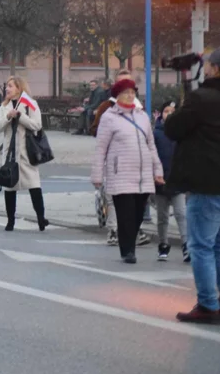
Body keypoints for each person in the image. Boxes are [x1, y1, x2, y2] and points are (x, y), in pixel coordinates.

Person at [166, 49, 220, 323]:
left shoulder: (202, 99)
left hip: (206, 183)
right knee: (218, 245)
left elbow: (174, 129)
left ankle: (208, 305)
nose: (206, 68)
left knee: (201, 245)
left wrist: (171, 113)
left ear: (215, 69)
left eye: (209, 65)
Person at [91, 77, 163, 264]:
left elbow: (151, 145)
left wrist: (158, 169)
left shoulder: (142, 116)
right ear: (117, 96)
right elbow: (101, 148)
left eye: (132, 92)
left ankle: (130, 242)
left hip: (142, 174)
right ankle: (127, 250)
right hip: (120, 172)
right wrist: (97, 175)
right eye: (126, 93)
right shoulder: (109, 117)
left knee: (139, 213)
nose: (130, 96)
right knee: (126, 214)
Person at [0, 76, 49, 231]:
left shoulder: (30, 104)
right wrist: (8, 117)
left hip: (27, 152)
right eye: (7, 86)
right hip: (10, 153)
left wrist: (21, 116)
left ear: (19, 88)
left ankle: (41, 218)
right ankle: (10, 221)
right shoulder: (4, 106)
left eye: (10, 86)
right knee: (9, 185)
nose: (7, 89)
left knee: (34, 186)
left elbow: (37, 125)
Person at [153, 101, 187, 262]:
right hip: (160, 181)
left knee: (181, 214)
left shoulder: (182, 132)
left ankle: (186, 245)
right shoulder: (156, 133)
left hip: (177, 181)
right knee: (162, 216)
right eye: (166, 111)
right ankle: (163, 244)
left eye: (172, 111)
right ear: (161, 114)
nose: (169, 114)